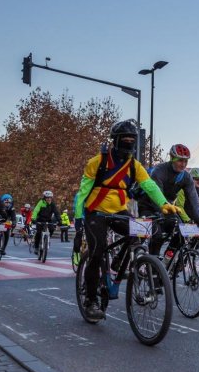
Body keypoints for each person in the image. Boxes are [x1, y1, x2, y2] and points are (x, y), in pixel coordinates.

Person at [74, 119, 182, 320]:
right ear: (115, 140)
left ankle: (118, 263)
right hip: (95, 212)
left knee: (140, 233)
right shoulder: (97, 162)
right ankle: (90, 300)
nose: (128, 143)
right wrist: (79, 219)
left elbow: (149, 185)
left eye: (132, 139)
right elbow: (82, 192)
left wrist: (163, 204)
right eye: (125, 139)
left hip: (119, 210)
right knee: (96, 254)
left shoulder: (134, 165)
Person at [136, 143, 199, 257]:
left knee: (182, 232)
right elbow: (156, 197)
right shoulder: (159, 171)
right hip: (148, 206)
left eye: (186, 161)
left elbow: (194, 203)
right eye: (180, 160)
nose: (183, 164)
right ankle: (151, 265)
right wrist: (161, 213)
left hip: (169, 208)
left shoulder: (186, 177)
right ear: (172, 158)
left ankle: (167, 259)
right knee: (157, 234)